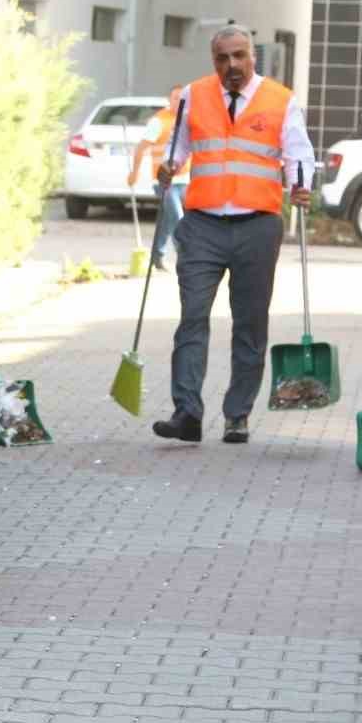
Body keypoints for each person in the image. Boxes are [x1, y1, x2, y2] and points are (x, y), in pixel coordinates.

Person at [152, 25, 314, 446]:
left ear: (252, 56)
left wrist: (302, 183)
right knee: (192, 318)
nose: (232, 66)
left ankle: (237, 414)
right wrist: (168, 168)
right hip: (203, 224)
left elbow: (299, 153)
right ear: (214, 61)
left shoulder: (280, 99)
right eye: (223, 58)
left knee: (249, 325)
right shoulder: (193, 95)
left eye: (239, 55)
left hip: (257, 226)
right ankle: (186, 411)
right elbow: (179, 147)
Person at [127, 86, 187, 271]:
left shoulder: (188, 120)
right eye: (175, 98)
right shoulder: (159, 121)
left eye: (182, 98)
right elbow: (140, 148)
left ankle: (156, 257)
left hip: (184, 181)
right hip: (163, 181)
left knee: (167, 220)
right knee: (178, 218)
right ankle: (186, 258)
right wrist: (134, 173)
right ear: (169, 100)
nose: (179, 102)